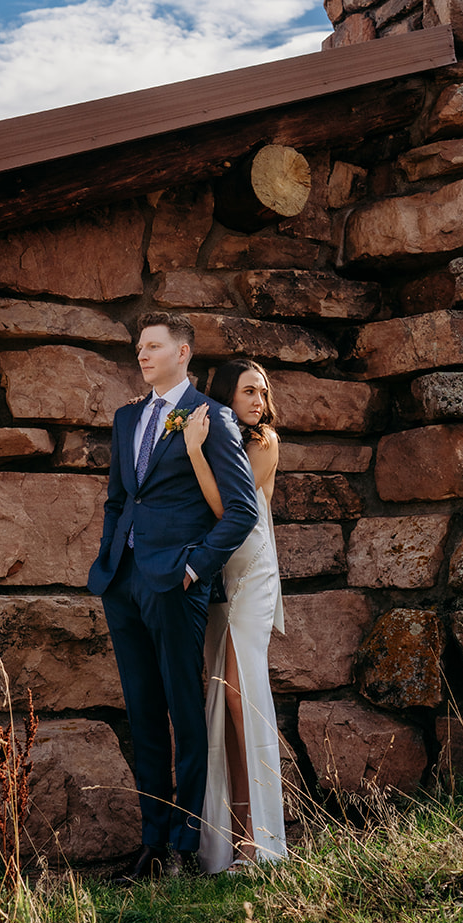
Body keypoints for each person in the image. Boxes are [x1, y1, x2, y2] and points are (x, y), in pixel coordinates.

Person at [88, 312, 259, 882]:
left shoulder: (213, 417)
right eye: (140, 346)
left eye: (154, 346)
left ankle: (185, 844)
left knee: (185, 714)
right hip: (123, 582)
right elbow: (118, 499)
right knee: (142, 715)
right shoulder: (127, 417)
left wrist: (195, 570)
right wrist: (111, 559)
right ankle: (151, 845)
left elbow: (241, 510)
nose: (143, 354)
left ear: (183, 353)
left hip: (176, 584)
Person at [183, 358, 287, 873]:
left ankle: (257, 838)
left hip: (252, 576)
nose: (259, 402)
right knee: (221, 703)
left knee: (242, 698)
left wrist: (196, 456)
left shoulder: (264, 443)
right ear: (225, 394)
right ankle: (223, 841)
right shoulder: (219, 431)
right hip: (219, 578)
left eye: (263, 393)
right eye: (248, 391)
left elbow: (230, 509)